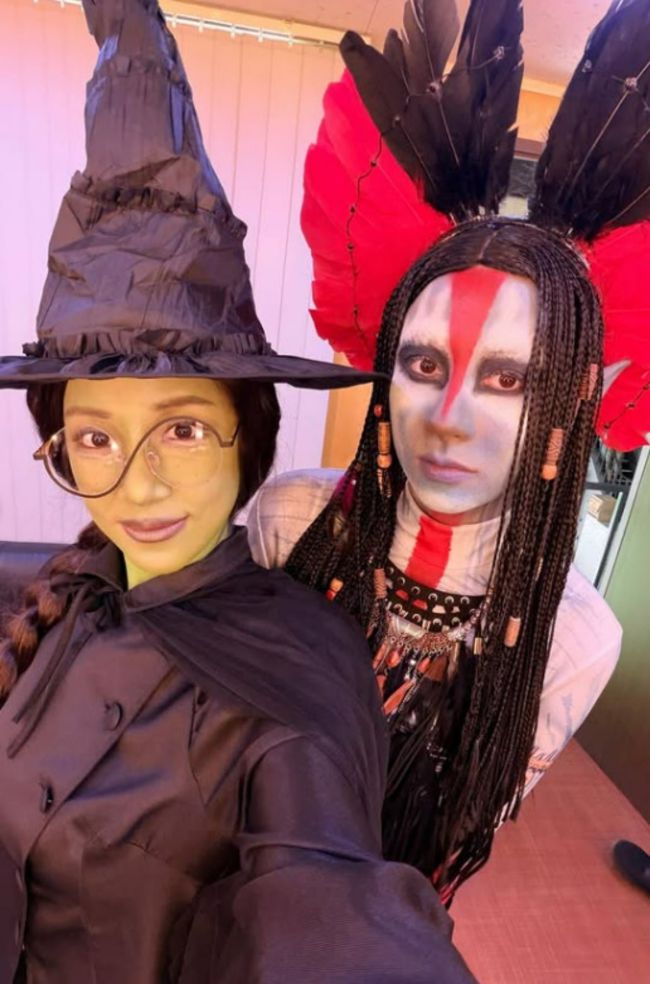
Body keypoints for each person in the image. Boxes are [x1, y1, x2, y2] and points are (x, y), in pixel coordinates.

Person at [0, 1, 478, 981]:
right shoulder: (68, 593)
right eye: (94, 438)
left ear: (249, 436)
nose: (136, 484)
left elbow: (321, 907)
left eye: (181, 428)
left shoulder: (295, 677)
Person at [249, 0, 650, 902]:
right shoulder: (290, 520)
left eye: (509, 378)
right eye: (425, 364)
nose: (452, 417)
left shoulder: (577, 638)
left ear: (568, 402)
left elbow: (474, 823)